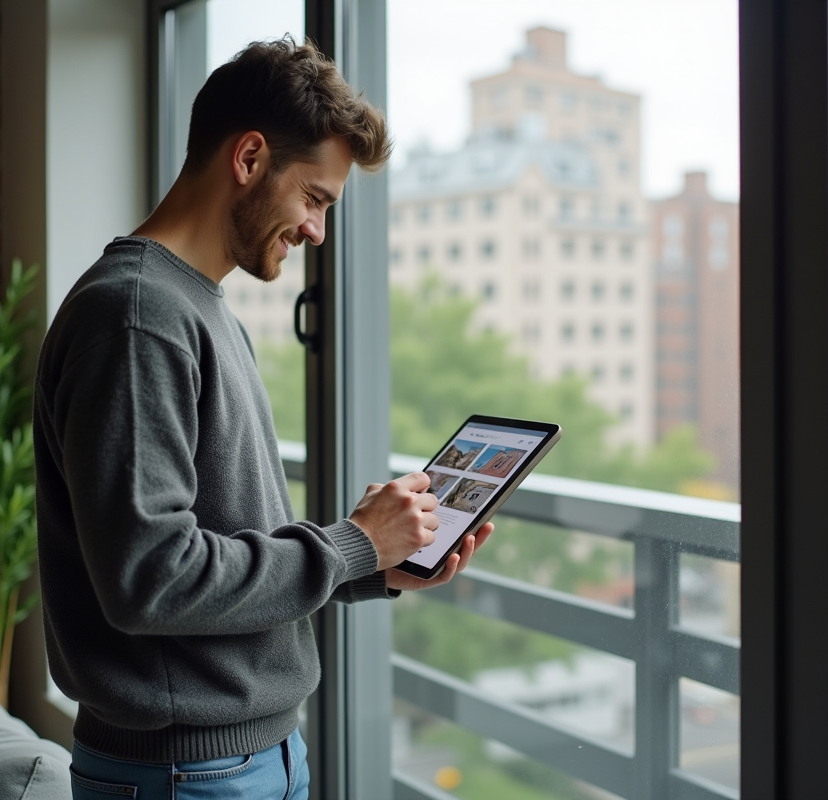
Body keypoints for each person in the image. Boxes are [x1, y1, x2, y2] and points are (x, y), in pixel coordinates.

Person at [33, 37, 493, 800]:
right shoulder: (138, 318)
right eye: (314, 198)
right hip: (187, 772)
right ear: (249, 158)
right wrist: (348, 545)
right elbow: (152, 580)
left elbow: (218, 547)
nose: (317, 231)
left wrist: (370, 559)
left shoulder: (198, 309)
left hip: (246, 760)